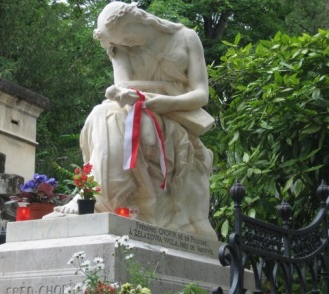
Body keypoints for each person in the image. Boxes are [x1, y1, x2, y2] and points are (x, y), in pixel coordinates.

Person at [54, 2, 216, 240]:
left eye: (127, 37)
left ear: (139, 20)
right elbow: (124, 87)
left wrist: (166, 103)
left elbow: (201, 94)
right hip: (136, 109)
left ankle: (99, 196)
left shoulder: (186, 38)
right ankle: (94, 194)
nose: (126, 44)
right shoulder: (118, 46)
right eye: (121, 42)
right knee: (102, 115)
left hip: (174, 115)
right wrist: (121, 93)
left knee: (124, 122)